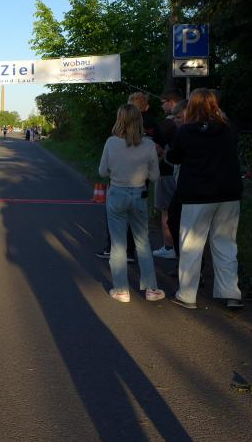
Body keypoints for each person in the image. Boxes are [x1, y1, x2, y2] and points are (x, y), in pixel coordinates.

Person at [166, 88, 243, 310]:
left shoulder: (186, 131)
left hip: (197, 194)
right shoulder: (227, 129)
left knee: (191, 244)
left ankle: (187, 295)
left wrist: (167, 152)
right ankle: (231, 293)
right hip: (229, 193)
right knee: (225, 244)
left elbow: (174, 157)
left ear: (191, 105)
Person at [98, 104, 164, 303]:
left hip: (116, 194)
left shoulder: (111, 142)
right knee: (142, 242)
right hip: (139, 195)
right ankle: (151, 289)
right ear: (139, 121)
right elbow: (155, 176)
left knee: (118, 244)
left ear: (120, 120)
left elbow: (102, 172)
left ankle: (121, 290)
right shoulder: (149, 145)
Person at [153, 89, 185, 259]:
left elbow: (157, 142)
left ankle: (169, 246)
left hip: (167, 171)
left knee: (166, 209)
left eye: (163, 103)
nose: (162, 106)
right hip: (176, 173)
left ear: (171, 102)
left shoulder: (169, 123)